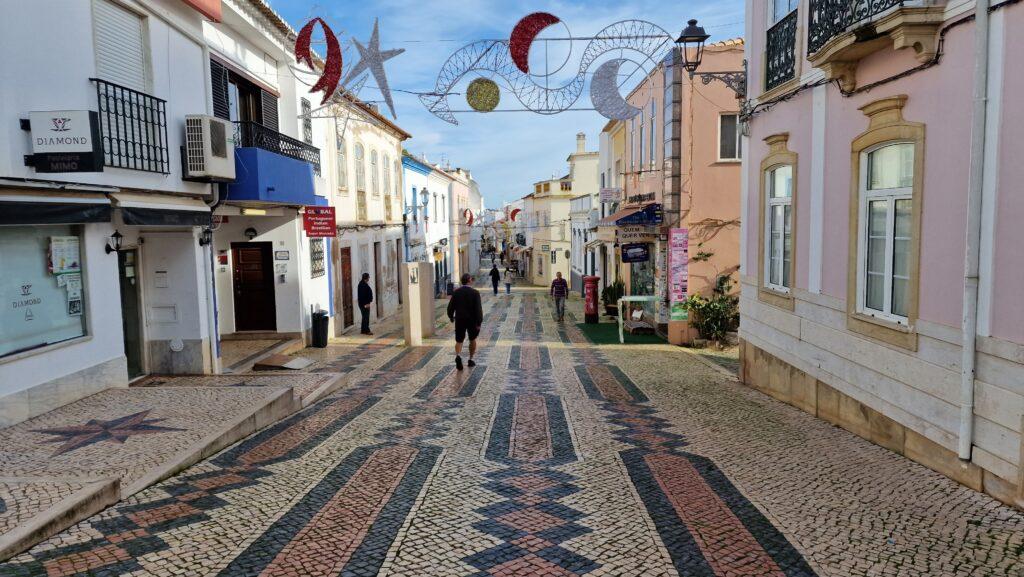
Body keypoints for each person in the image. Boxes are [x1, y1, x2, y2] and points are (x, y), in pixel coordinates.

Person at [447, 273, 483, 370]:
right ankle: (470, 359)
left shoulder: (456, 292)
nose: (472, 280)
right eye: (471, 279)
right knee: (472, 339)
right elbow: (478, 309)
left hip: (460, 319)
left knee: (459, 340)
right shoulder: (475, 293)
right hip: (472, 320)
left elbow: (450, 307)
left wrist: (451, 316)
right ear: (469, 280)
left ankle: (458, 356)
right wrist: (479, 322)